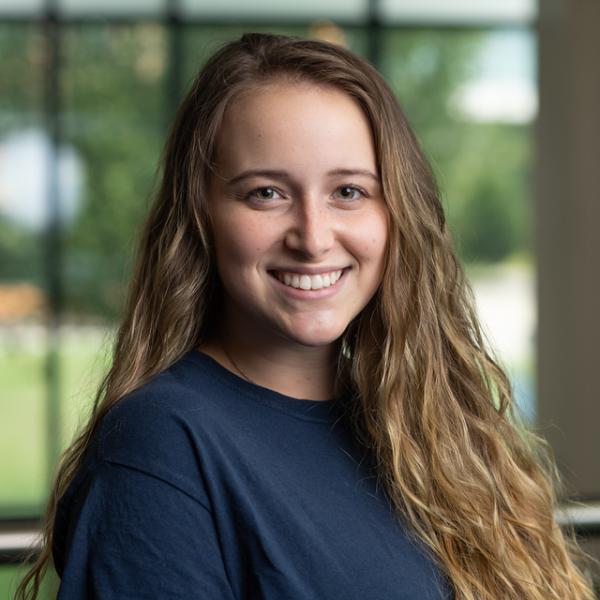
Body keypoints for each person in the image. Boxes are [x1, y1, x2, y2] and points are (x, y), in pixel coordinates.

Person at [16, 32, 595, 600]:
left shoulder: (426, 426)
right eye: (266, 193)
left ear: (397, 214)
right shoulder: (162, 446)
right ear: (201, 216)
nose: (314, 238)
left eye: (348, 192)